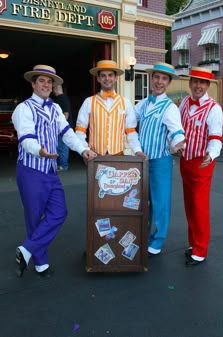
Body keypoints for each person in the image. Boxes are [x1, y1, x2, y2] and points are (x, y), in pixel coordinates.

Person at [12, 64, 96, 278]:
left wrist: (84, 149)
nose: (46, 85)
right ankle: (41, 263)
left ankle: (27, 249)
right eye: (42, 81)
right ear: (33, 83)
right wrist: (39, 151)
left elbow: (67, 134)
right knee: (33, 217)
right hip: (31, 170)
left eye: (49, 82)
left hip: (50, 171)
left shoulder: (55, 108)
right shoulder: (24, 108)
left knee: (59, 212)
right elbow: (26, 137)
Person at [134, 62, 185, 256]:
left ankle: (158, 239)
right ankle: (143, 235)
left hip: (159, 162)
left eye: (164, 79)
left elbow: (177, 131)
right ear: (151, 78)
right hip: (141, 162)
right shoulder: (143, 103)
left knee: (160, 203)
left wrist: (179, 142)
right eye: (156, 77)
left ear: (168, 82)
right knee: (141, 202)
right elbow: (129, 118)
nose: (159, 82)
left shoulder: (170, 107)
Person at [179, 66, 223, 266]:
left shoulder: (214, 108)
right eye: (195, 81)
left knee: (199, 205)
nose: (198, 85)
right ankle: (193, 243)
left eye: (202, 82)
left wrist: (211, 154)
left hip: (202, 162)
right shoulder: (185, 102)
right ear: (190, 83)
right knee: (189, 204)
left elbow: (215, 137)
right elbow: (178, 128)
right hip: (185, 160)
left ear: (207, 85)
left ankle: (200, 250)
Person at [75, 60, 145, 157]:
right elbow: (80, 130)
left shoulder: (126, 103)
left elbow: (131, 131)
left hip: (118, 156)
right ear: (98, 79)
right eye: (103, 75)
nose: (107, 78)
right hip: (95, 157)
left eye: (110, 75)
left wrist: (137, 150)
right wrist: (84, 150)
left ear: (116, 77)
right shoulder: (89, 102)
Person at [53, 84, 71, 171]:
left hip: (62, 127)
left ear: (56, 89)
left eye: (53, 89)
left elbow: (66, 114)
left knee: (62, 146)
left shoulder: (62, 98)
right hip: (62, 126)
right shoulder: (63, 98)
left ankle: (63, 165)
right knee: (59, 146)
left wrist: (60, 126)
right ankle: (60, 165)